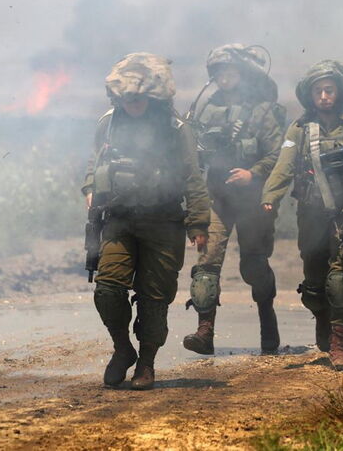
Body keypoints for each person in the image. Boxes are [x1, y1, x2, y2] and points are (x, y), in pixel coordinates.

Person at [81, 53, 210, 390]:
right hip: (119, 220)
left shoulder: (175, 128)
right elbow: (95, 162)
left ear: (152, 97)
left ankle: (147, 363)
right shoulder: (108, 122)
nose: (132, 103)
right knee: (108, 289)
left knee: (154, 299)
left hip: (163, 222)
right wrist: (90, 189)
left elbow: (193, 176)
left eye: (138, 97)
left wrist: (198, 224)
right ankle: (122, 350)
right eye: (126, 97)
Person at [260, 60, 343, 370]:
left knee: (339, 279)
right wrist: (270, 196)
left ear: (339, 92)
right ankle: (322, 319)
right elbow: (284, 166)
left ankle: (339, 343)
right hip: (310, 215)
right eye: (318, 91)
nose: (324, 96)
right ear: (310, 95)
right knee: (314, 285)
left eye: (329, 90)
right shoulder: (299, 129)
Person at [183, 44, 286, 355]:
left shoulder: (263, 111)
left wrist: (253, 173)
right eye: (218, 72)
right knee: (207, 264)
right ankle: (204, 332)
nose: (223, 77)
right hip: (217, 197)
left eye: (230, 70)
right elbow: (192, 156)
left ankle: (267, 321)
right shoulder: (206, 109)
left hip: (252, 200)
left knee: (253, 267)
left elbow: (278, 154)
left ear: (243, 74)